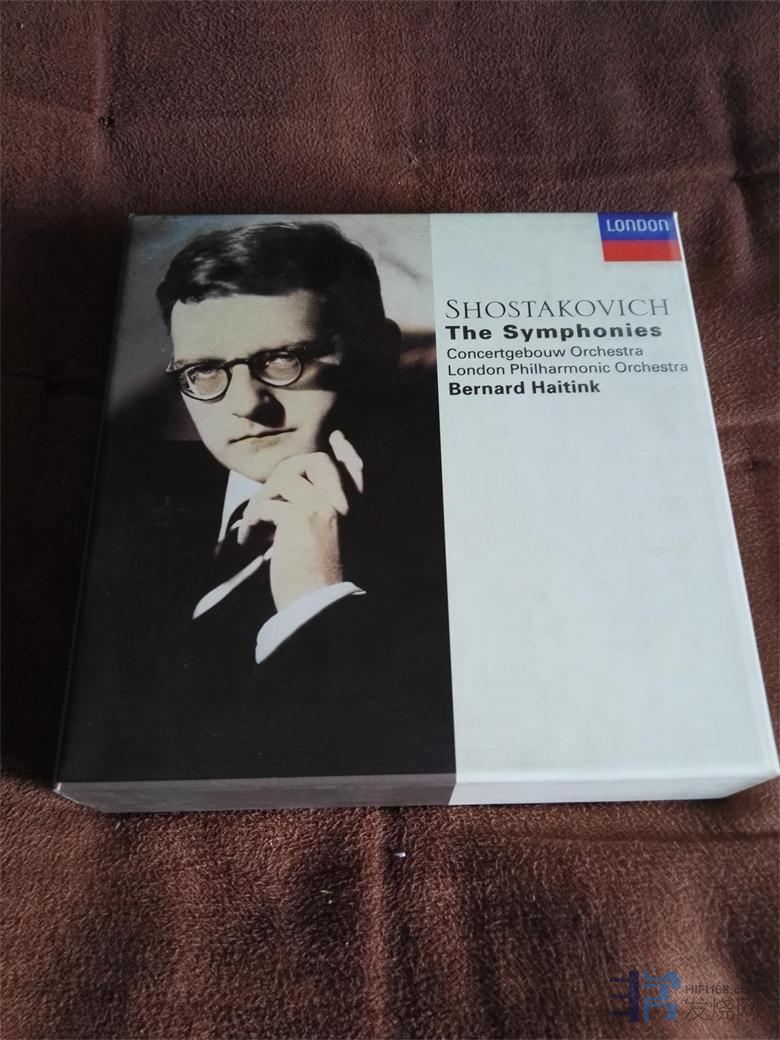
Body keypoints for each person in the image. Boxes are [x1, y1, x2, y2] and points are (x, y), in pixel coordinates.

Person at [59, 222, 455, 796]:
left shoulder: (457, 531)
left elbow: (368, 772)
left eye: (283, 359)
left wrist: (315, 602)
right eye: (204, 371)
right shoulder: (122, 497)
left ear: (377, 353)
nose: (246, 404)